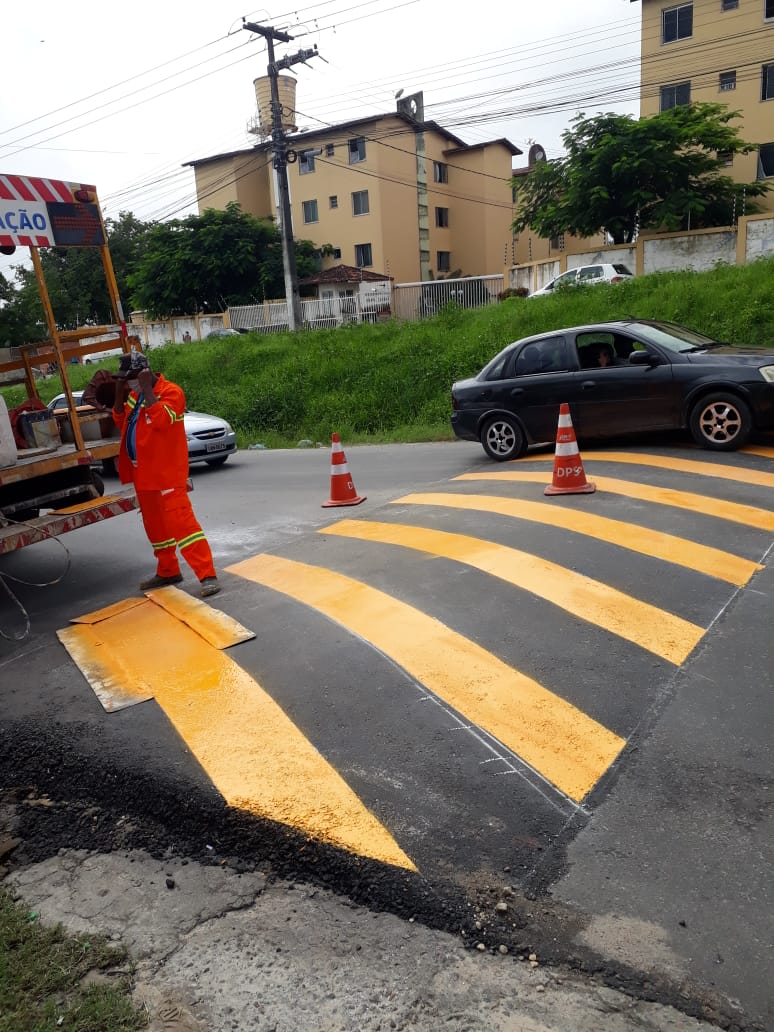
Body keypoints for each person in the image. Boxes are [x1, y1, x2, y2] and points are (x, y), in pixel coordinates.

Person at [112, 351, 220, 597]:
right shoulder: (133, 397)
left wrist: (148, 391)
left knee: (183, 524)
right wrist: (120, 393)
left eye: (130, 378)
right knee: (155, 527)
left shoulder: (171, 392)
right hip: (143, 474)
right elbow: (121, 421)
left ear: (144, 374)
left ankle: (207, 575)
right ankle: (168, 570)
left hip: (167, 473)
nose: (128, 383)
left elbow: (161, 420)